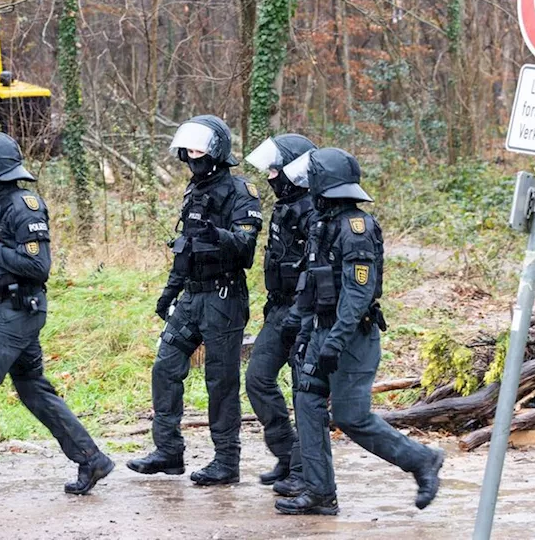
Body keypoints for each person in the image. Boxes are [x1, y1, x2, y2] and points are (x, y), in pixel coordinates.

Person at [0, 132, 114, 499]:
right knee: (33, 388)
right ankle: (91, 458)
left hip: (19, 309)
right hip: (9, 306)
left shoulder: (24, 205)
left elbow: (38, 265)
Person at [276, 148, 443, 516]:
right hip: (322, 332)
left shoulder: (357, 228)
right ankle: (320, 493)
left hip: (352, 338)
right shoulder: (321, 224)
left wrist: (334, 340)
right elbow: (312, 286)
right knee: (306, 404)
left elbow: (358, 292)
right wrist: (304, 332)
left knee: (352, 417)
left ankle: (422, 459)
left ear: (326, 184)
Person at [127, 115, 262, 486]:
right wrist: (170, 291)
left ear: (217, 149)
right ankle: (168, 451)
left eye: (199, 148)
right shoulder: (194, 191)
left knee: (220, 381)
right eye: (188, 149)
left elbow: (246, 246)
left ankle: (226, 460)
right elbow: (184, 251)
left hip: (225, 296)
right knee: (165, 367)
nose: (192, 154)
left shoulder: (241, 192)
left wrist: (217, 233)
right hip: (192, 294)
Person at [243, 134, 317, 488]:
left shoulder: (315, 209)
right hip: (278, 310)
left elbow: (316, 270)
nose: (270, 175)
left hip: (306, 313)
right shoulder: (284, 206)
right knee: (257, 378)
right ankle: (286, 454)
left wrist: (301, 313)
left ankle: (304, 471)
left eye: (276, 168)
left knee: (305, 392)